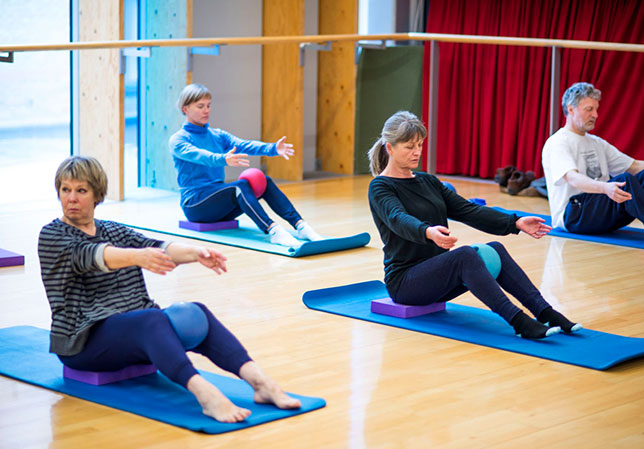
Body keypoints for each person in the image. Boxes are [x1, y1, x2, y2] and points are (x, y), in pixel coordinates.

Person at [38, 156, 301, 423]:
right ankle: (207, 395)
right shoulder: (52, 236)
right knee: (151, 319)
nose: (71, 198)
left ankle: (261, 383)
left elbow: (158, 246)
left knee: (195, 313)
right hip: (83, 342)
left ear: (97, 194)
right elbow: (92, 255)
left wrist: (197, 253)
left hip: (130, 330)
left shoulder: (114, 230)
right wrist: (137, 257)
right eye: (65, 189)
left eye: (81, 190)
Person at [367, 111, 581, 339]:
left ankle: (545, 312)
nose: (417, 152)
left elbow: (468, 210)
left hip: (438, 276)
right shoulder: (380, 187)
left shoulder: (427, 181)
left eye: (419, 144)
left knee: (495, 250)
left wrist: (515, 222)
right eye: (409, 147)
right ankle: (519, 322)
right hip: (406, 283)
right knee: (466, 256)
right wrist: (427, 232)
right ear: (390, 148)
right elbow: (397, 218)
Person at [169, 83, 322, 247]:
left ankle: (301, 226)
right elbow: (200, 156)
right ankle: (274, 231)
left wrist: (272, 148)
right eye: (200, 106)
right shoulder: (179, 140)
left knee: (263, 181)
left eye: (208, 106)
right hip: (196, 205)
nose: (206, 110)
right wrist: (223, 159)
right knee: (239, 187)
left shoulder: (217, 135)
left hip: (219, 205)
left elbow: (244, 145)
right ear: (185, 109)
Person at [542, 82, 644, 233]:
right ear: (570, 109)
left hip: (599, 208)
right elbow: (573, 178)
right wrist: (604, 188)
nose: (595, 115)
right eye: (589, 109)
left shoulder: (597, 142)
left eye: (596, 109)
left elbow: (634, 166)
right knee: (626, 181)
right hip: (574, 214)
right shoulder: (557, 142)